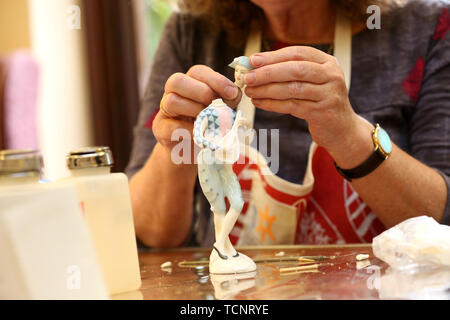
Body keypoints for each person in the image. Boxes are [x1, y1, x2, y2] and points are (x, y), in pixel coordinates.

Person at [127, 0, 450, 248]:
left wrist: (348, 134)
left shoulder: (426, 28)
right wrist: (179, 147)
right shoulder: (192, 32)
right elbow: (152, 232)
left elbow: (442, 221)